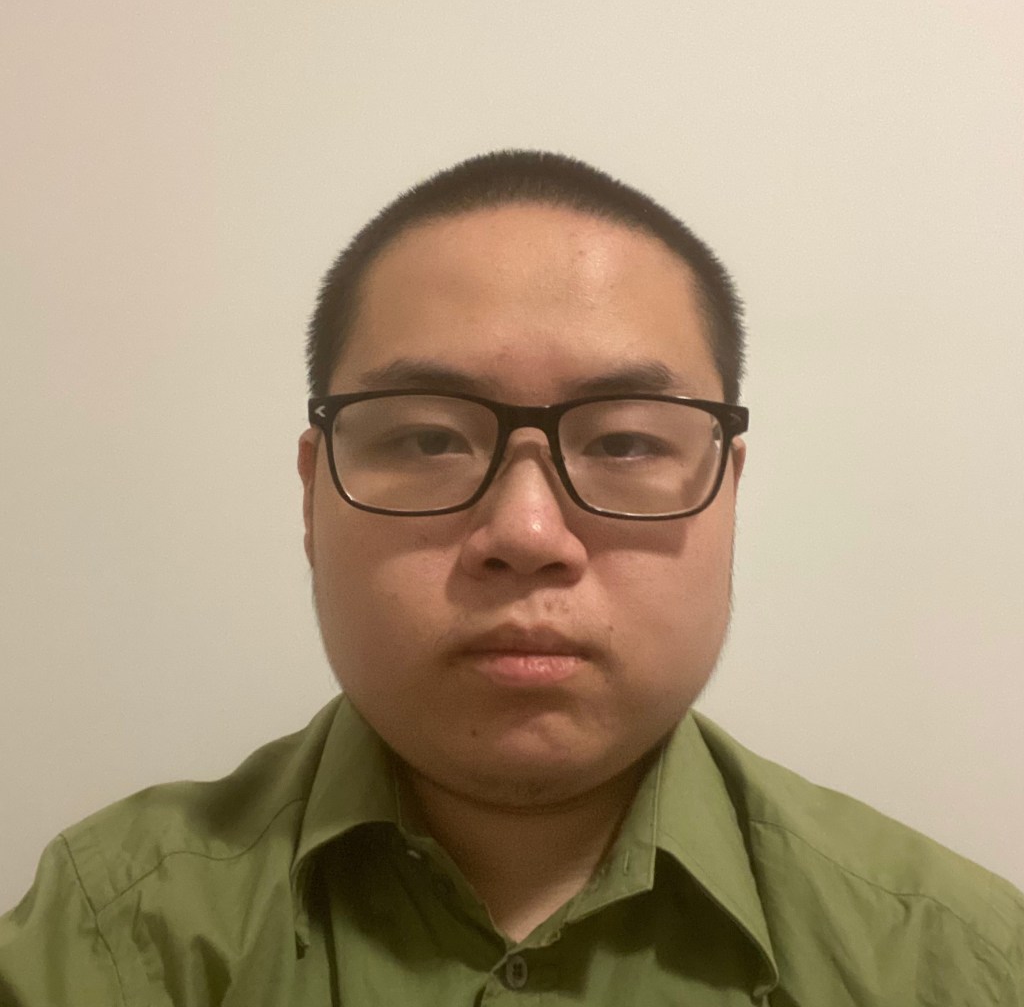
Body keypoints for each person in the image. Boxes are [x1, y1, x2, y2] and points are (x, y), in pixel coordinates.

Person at [1, 150, 1021, 1006]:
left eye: (624, 441)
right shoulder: (113, 939)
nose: (527, 534)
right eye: (429, 437)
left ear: (727, 495)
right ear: (314, 497)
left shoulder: (956, 964)